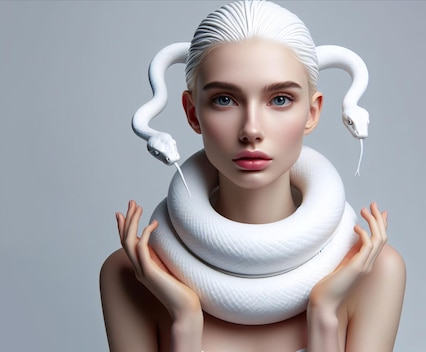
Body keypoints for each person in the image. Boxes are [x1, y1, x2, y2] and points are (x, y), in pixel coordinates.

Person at [99, 1, 406, 351]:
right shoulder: (132, 273)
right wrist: (185, 320)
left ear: (313, 111)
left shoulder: (375, 271)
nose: (251, 130)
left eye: (279, 99)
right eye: (225, 99)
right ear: (192, 112)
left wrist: (324, 313)